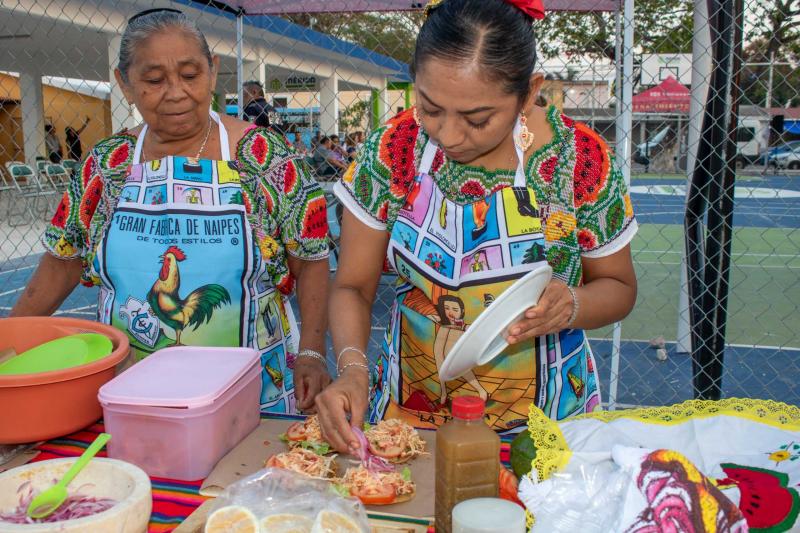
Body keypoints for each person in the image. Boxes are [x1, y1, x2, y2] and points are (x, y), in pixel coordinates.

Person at [317, 0, 638, 452]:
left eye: (477, 119)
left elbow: (619, 287)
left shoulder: (578, 160)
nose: (447, 135)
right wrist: (352, 368)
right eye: (430, 108)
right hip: (411, 417)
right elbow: (351, 286)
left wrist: (570, 306)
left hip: (546, 427)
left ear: (529, 93)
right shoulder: (394, 149)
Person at [11, 9, 331, 415]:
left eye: (190, 74)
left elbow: (312, 261)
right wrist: (10, 341)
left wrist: (313, 354)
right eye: (154, 80)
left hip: (251, 392)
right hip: (131, 386)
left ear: (213, 72)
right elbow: (63, 261)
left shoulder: (267, 158)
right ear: (125, 84)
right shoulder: (106, 165)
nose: (176, 92)